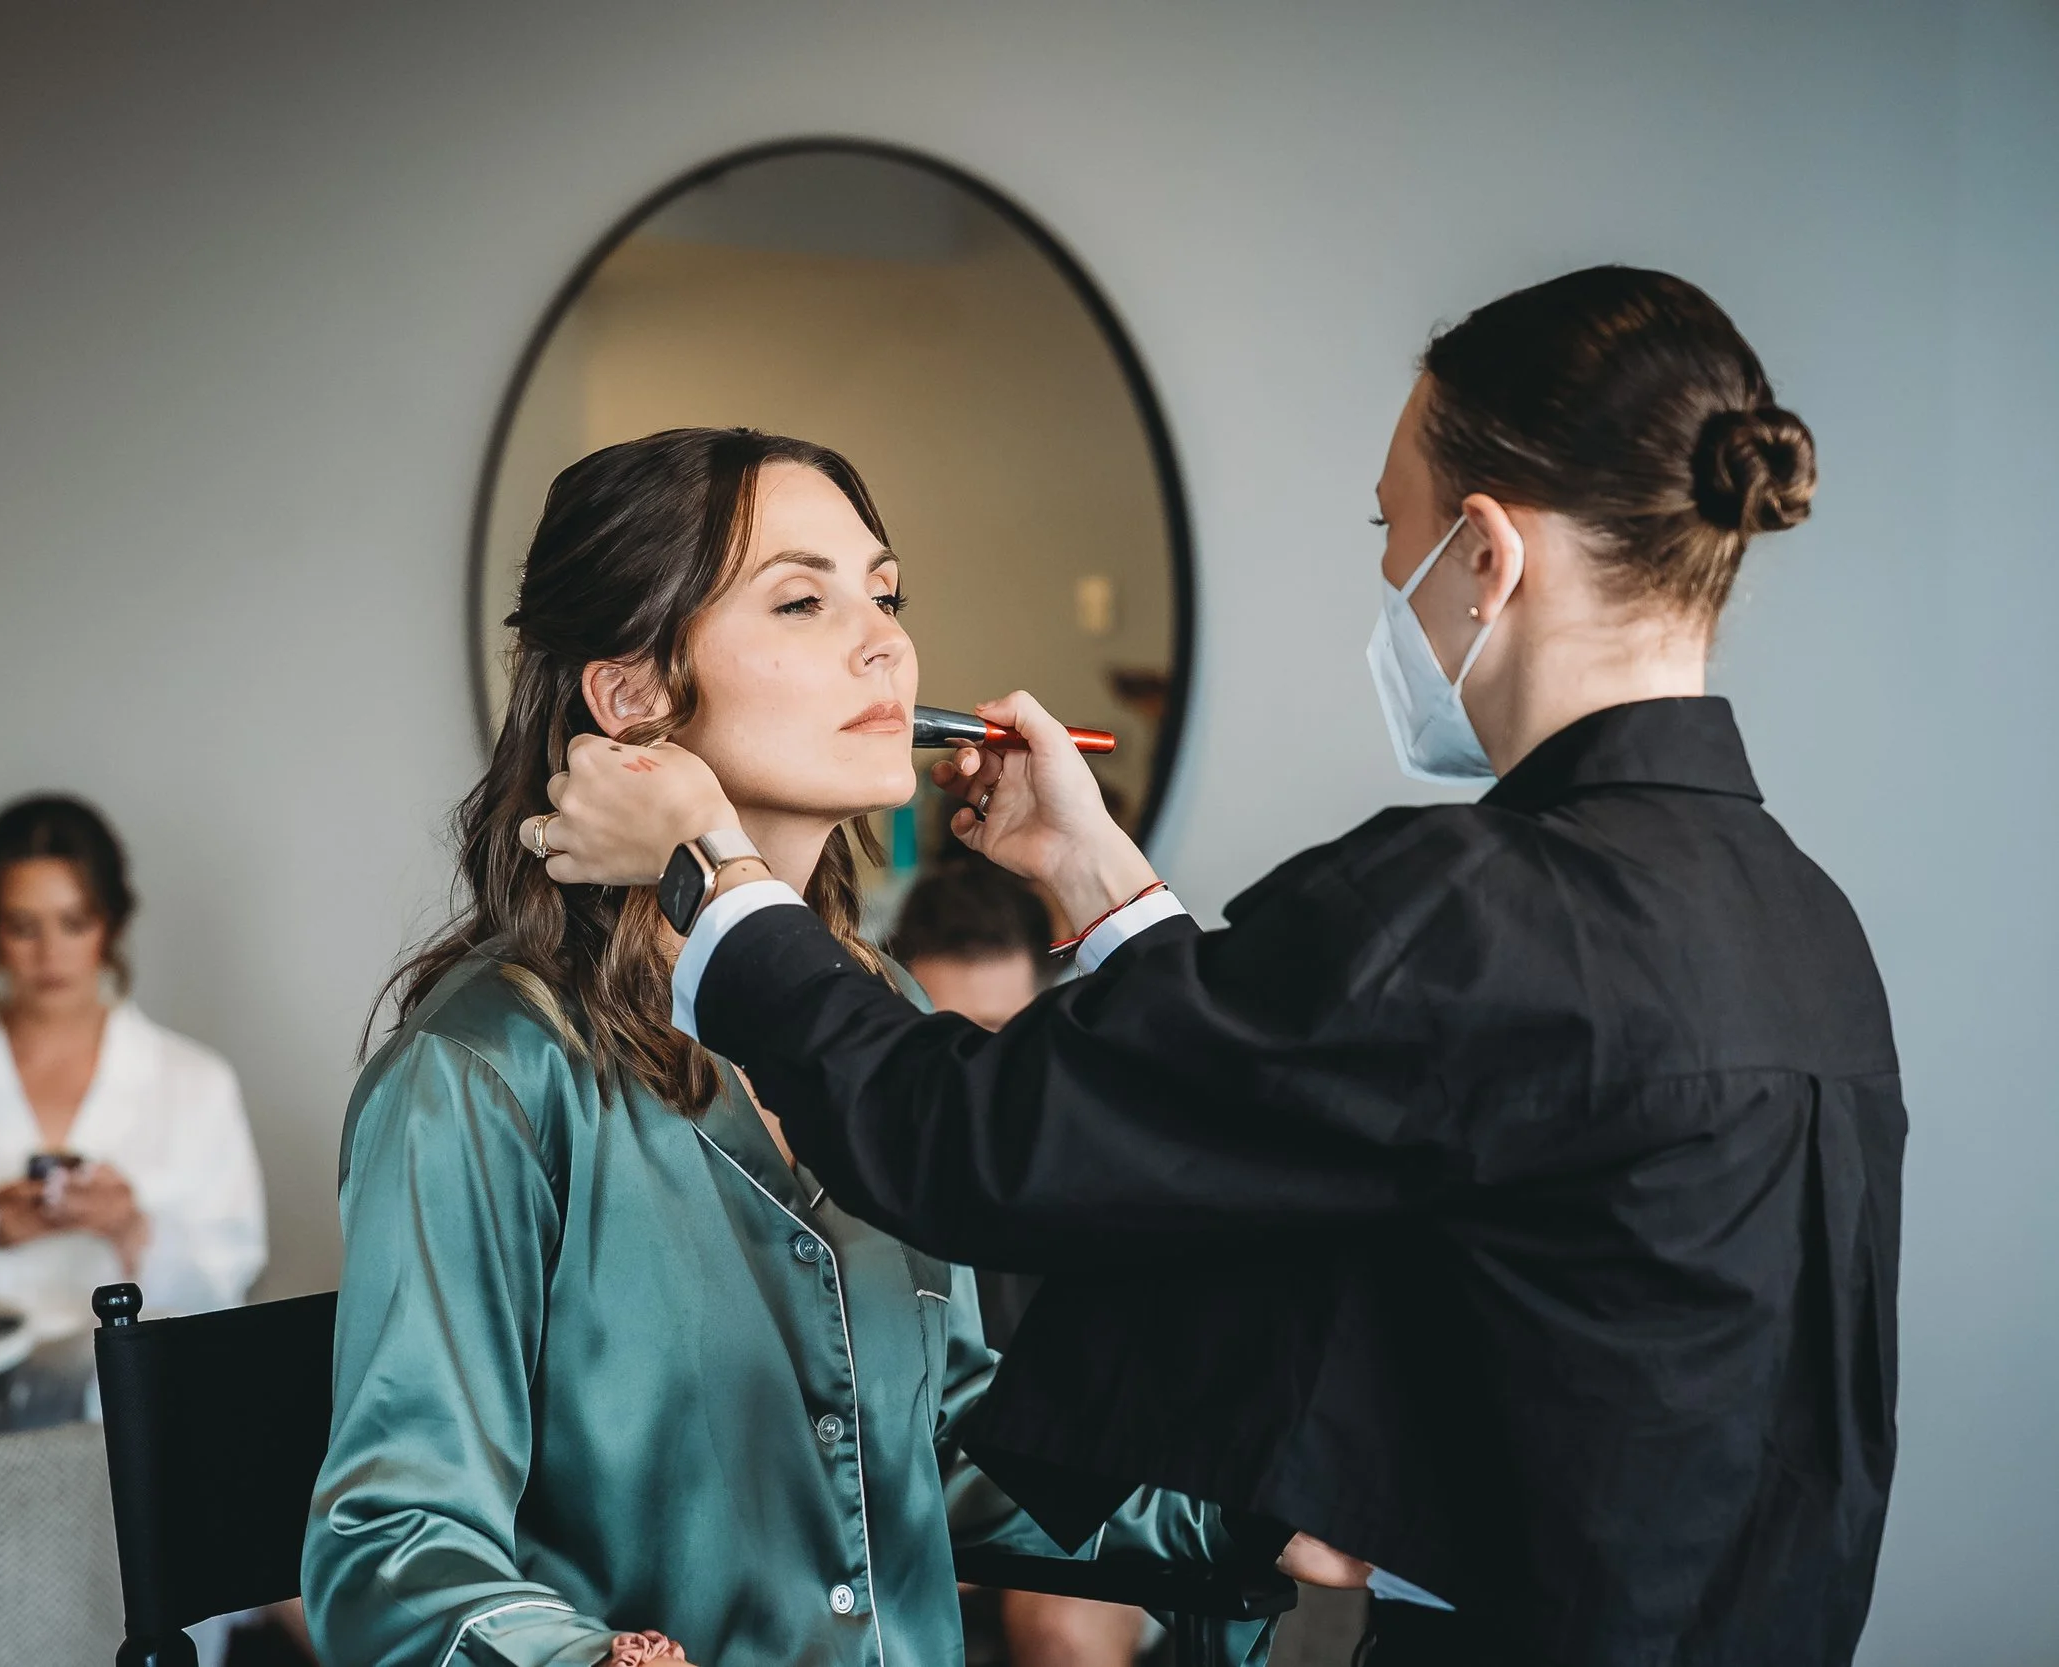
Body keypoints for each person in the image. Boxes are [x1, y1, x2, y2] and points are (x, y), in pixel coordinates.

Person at [527, 269, 1902, 1666]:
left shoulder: (1479, 913)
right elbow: (1304, 1100)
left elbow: (971, 1145)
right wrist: (1093, 876)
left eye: (1394, 526)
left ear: (1486, 552)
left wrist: (713, 872)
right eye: (808, 600)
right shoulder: (1806, 929)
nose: (1387, 572)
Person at [302, 429, 1269, 1667]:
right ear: (631, 694)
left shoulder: (888, 1022)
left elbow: (937, 1439)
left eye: (886, 590)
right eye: (804, 599)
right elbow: (392, 1538)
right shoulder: (483, 1075)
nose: (884, 639)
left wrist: (1237, 1510)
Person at [0, 793, 267, 1348]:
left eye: (74, 922)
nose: (50, 954)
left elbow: (228, 1283)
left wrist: (131, 1229)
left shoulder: (197, 1085)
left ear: (111, 925)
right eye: (24, 927)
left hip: (135, 1414)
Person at [891, 864, 1154, 1667]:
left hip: (1094, 1497)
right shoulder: (861, 1165)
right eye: (944, 1038)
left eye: (999, 1036)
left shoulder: (1121, 1165)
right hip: (925, 1495)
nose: (971, 1075)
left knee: (1063, 1624)